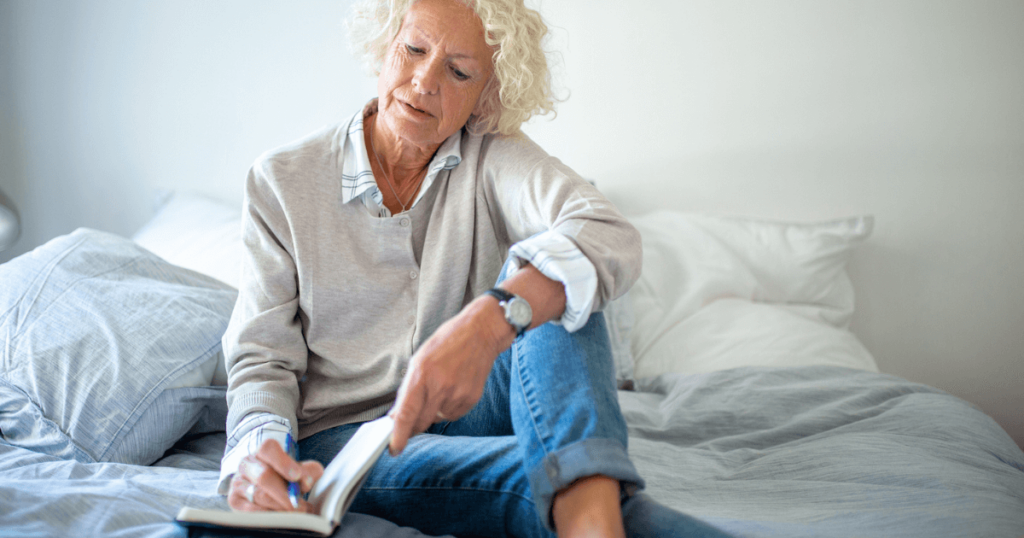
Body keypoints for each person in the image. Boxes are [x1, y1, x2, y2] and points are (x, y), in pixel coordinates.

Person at [218, 0, 732, 536]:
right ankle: (593, 509)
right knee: (574, 477)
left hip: (474, 408)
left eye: (458, 71)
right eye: (413, 49)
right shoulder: (281, 180)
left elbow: (605, 232)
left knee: (548, 277)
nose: (423, 81)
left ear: (486, 96)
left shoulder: (493, 157)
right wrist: (264, 459)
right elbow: (262, 360)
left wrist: (488, 322)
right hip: (352, 439)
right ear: (383, 44)